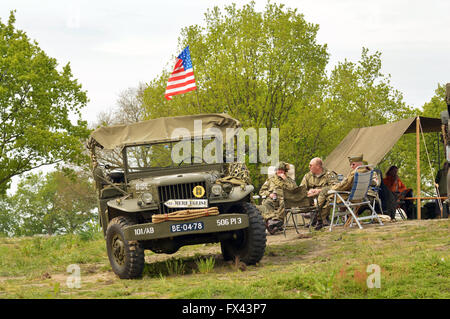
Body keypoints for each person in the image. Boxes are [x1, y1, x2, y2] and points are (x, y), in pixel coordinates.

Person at [315, 154, 376, 229]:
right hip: (361, 196)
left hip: (349, 196)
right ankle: (319, 217)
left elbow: (344, 185)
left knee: (326, 194)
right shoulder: (368, 171)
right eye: (350, 165)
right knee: (327, 195)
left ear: (359, 164)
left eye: (353, 164)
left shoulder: (354, 173)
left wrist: (333, 188)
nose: (351, 166)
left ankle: (318, 217)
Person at [258, 161, 297, 234]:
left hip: (283, 199)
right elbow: (261, 191)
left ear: (285, 171)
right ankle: (271, 222)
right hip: (272, 199)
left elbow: (294, 189)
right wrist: (269, 194)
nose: (280, 171)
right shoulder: (270, 180)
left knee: (285, 203)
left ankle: (275, 222)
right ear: (276, 170)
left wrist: (285, 179)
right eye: (278, 170)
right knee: (266, 204)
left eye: (281, 170)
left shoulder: (289, 180)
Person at [299, 157, 339, 228]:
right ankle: (313, 217)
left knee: (328, 198)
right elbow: (301, 189)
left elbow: (335, 186)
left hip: (324, 197)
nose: (309, 167)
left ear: (318, 166)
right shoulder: (308, 175)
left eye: (311, 165)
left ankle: (320, 219)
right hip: (311, 198)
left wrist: (319, 190)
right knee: (300, 198)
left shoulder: (329, 174)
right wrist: (309, 192)